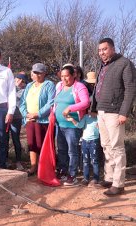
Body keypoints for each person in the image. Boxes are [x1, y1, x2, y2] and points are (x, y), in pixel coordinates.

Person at [91, 38, 136, 196]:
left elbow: (130, 89)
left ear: (112, 48)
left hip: (115, 112)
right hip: (102, 112)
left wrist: (124, 112)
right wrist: (95, 109)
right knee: (106, 146)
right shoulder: (103, 66)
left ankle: (119, 183)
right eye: (99, 50)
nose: (101, 53)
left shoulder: (125, 63)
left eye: (104, 49)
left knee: (117, 147)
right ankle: (109, 178)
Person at [54, 65, 90, 186]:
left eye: (67, 76)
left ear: (73, 75)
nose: (64, 79)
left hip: (73, 125)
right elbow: (56, 102)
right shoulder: (59, 86)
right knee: (62, 149)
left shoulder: (79, 87)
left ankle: (72, 174)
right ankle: (63, 171)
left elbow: (86, 103)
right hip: (59, 124)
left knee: (72, 150)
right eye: (62, 76)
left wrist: (71, 108)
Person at [19, 64, 55, 175]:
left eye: (39, 73)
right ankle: (33, 166)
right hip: (30, 120)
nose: (36, 75)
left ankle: (43, 168)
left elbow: (51, 102)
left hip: (42, 120)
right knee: (31, 144)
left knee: (41, 145)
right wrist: (26, 114)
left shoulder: (49, 85)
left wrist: (38, 114)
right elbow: (22, 102)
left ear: (44, 73)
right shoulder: (29, 86)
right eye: (35, 72)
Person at [66, 111, 100, 186]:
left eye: (92, 110)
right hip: (85, 141)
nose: (90, 112)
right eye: (89, 110)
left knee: (94, 161)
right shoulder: (85, 117)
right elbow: (80, 125)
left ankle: (96, 179)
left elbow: (102, 129)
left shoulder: (99, 118)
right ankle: (86, 178)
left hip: (94, 141)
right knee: (85, 161)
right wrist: (72, 120)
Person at [10, 73, 28, 170]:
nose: (19, 82)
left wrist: (15, 87)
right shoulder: (9, 87)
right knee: (2, 139)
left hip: (16, 117)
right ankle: (4, 160)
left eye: (22, 80)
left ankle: (18, 161)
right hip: (5, 116)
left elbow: (14, 97)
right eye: (17, 79)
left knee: (15, 138)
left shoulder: (24, 91)